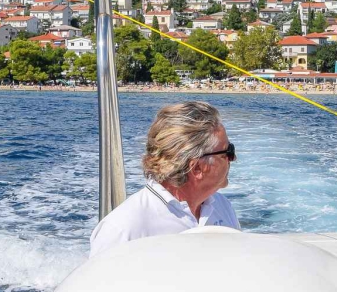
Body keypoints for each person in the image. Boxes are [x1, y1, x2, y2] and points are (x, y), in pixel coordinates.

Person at [89, 100, 239, 256]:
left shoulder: (222, 206)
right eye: (227, 152)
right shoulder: (123, 230)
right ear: (197, 168)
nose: (233, 158)